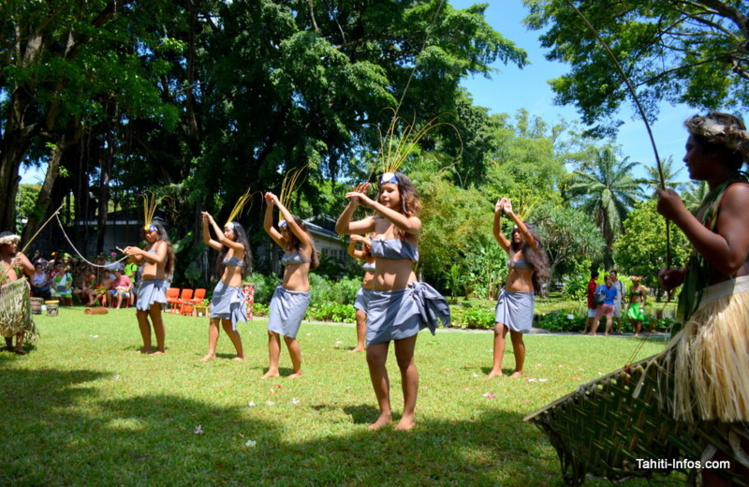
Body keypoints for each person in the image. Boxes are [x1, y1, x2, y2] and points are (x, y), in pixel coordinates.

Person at [656, 112, 749, 484]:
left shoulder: (739, 192)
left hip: (734, 314)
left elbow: (731, 258)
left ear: (715, 152)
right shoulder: (716, 195)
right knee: (716, 425)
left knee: (732, 426)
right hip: (714, 307)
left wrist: (679, 215)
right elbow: (714, 258)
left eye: (691, 148)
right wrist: (684, 273)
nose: (684, 158)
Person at [335, 172, 450, 430]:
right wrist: (354, 204)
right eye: (381, 191)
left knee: (404, 359)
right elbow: (341, 229)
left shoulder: (410, 222)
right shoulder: (375, 221)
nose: (384, 195)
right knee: (374, 357)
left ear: (402, 194)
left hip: (404, 299)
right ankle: (385, 414)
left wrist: (371, 203)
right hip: (377, 300)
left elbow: (410, 227)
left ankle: (408, 415)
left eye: (389, 190)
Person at [487, 197, 549, 378]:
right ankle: (496, 369)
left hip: (523, 297)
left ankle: (519, 369)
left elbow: (529, 236)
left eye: (519, 232)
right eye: (514, 232)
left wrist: (511, 213)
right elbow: (497, 234)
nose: (516, 234)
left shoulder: (534, 251)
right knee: (499, 329)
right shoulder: (512, 251)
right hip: (507, 296)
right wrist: (497, 214)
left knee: (516, 336)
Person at [262, 192, 318, 378]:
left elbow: (293, 223)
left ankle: (297, 371)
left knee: (289, 335)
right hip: (281, 293)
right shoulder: (286, 246)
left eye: (286, 230)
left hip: (298, 297)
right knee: (272, 331)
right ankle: (273, 369)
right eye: (283, 230)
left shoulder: (305, 245)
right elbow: (268, 227)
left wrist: (278, 202)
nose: (284, 233)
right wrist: (270, 207)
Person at [200, 212, 251, 362]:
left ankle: (241, 354)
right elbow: (207, 239)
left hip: (231, 290)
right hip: (220, 287)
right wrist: (205, 224)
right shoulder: (226, 249)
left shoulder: (240, 247)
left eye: (228, 230)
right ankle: (211, 353)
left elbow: (221, 238)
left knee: (228, 325)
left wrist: (212, 220)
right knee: (213, 319)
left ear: (236, 233)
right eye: (225, 230)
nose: (225, 233)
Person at [123, 222, 175, 354]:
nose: (148, 234)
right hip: (145, 284)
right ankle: (147, 346)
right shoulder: (148, 246)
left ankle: (160, 348)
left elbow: (159, 258)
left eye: (150, 232)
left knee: (155, 315)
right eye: (145, 233)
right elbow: (138, 260)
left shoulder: (162, 244)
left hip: (155, 283)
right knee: (140, 314)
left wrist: (139, 250)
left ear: (158, 231)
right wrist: (131, 253)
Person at [0, 232, 36, 354]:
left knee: (20, 318)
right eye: (12, 243)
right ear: (3, 244)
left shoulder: (19, 256)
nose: (15, 245)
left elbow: (31, 271)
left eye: (16, 242)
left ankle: (19, 345)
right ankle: (9, 344)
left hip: (19, 293)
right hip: (3, 293)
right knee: (6, 319)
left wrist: (23, 264)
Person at [347, 234, 375, 353]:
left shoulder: (383, 257)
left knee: (375, 319)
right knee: (360, 315)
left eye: (370, 242)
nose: (367, 245)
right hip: (364, 291)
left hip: (377, 292)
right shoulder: (366, 256)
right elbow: (351, 252)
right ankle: (360, 345)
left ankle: (374, 345)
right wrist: (353, 243)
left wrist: (364, 239)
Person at [583, 270, 599, 334]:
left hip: (593, 302)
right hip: (592, 302)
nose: (598, 277)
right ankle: (589, 330)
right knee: (591, 317)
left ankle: (590, 330)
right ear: (595, 276)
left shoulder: (593, 282)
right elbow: (593, 292)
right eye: (597, 276)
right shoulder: (592, 283)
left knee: (591, 317)